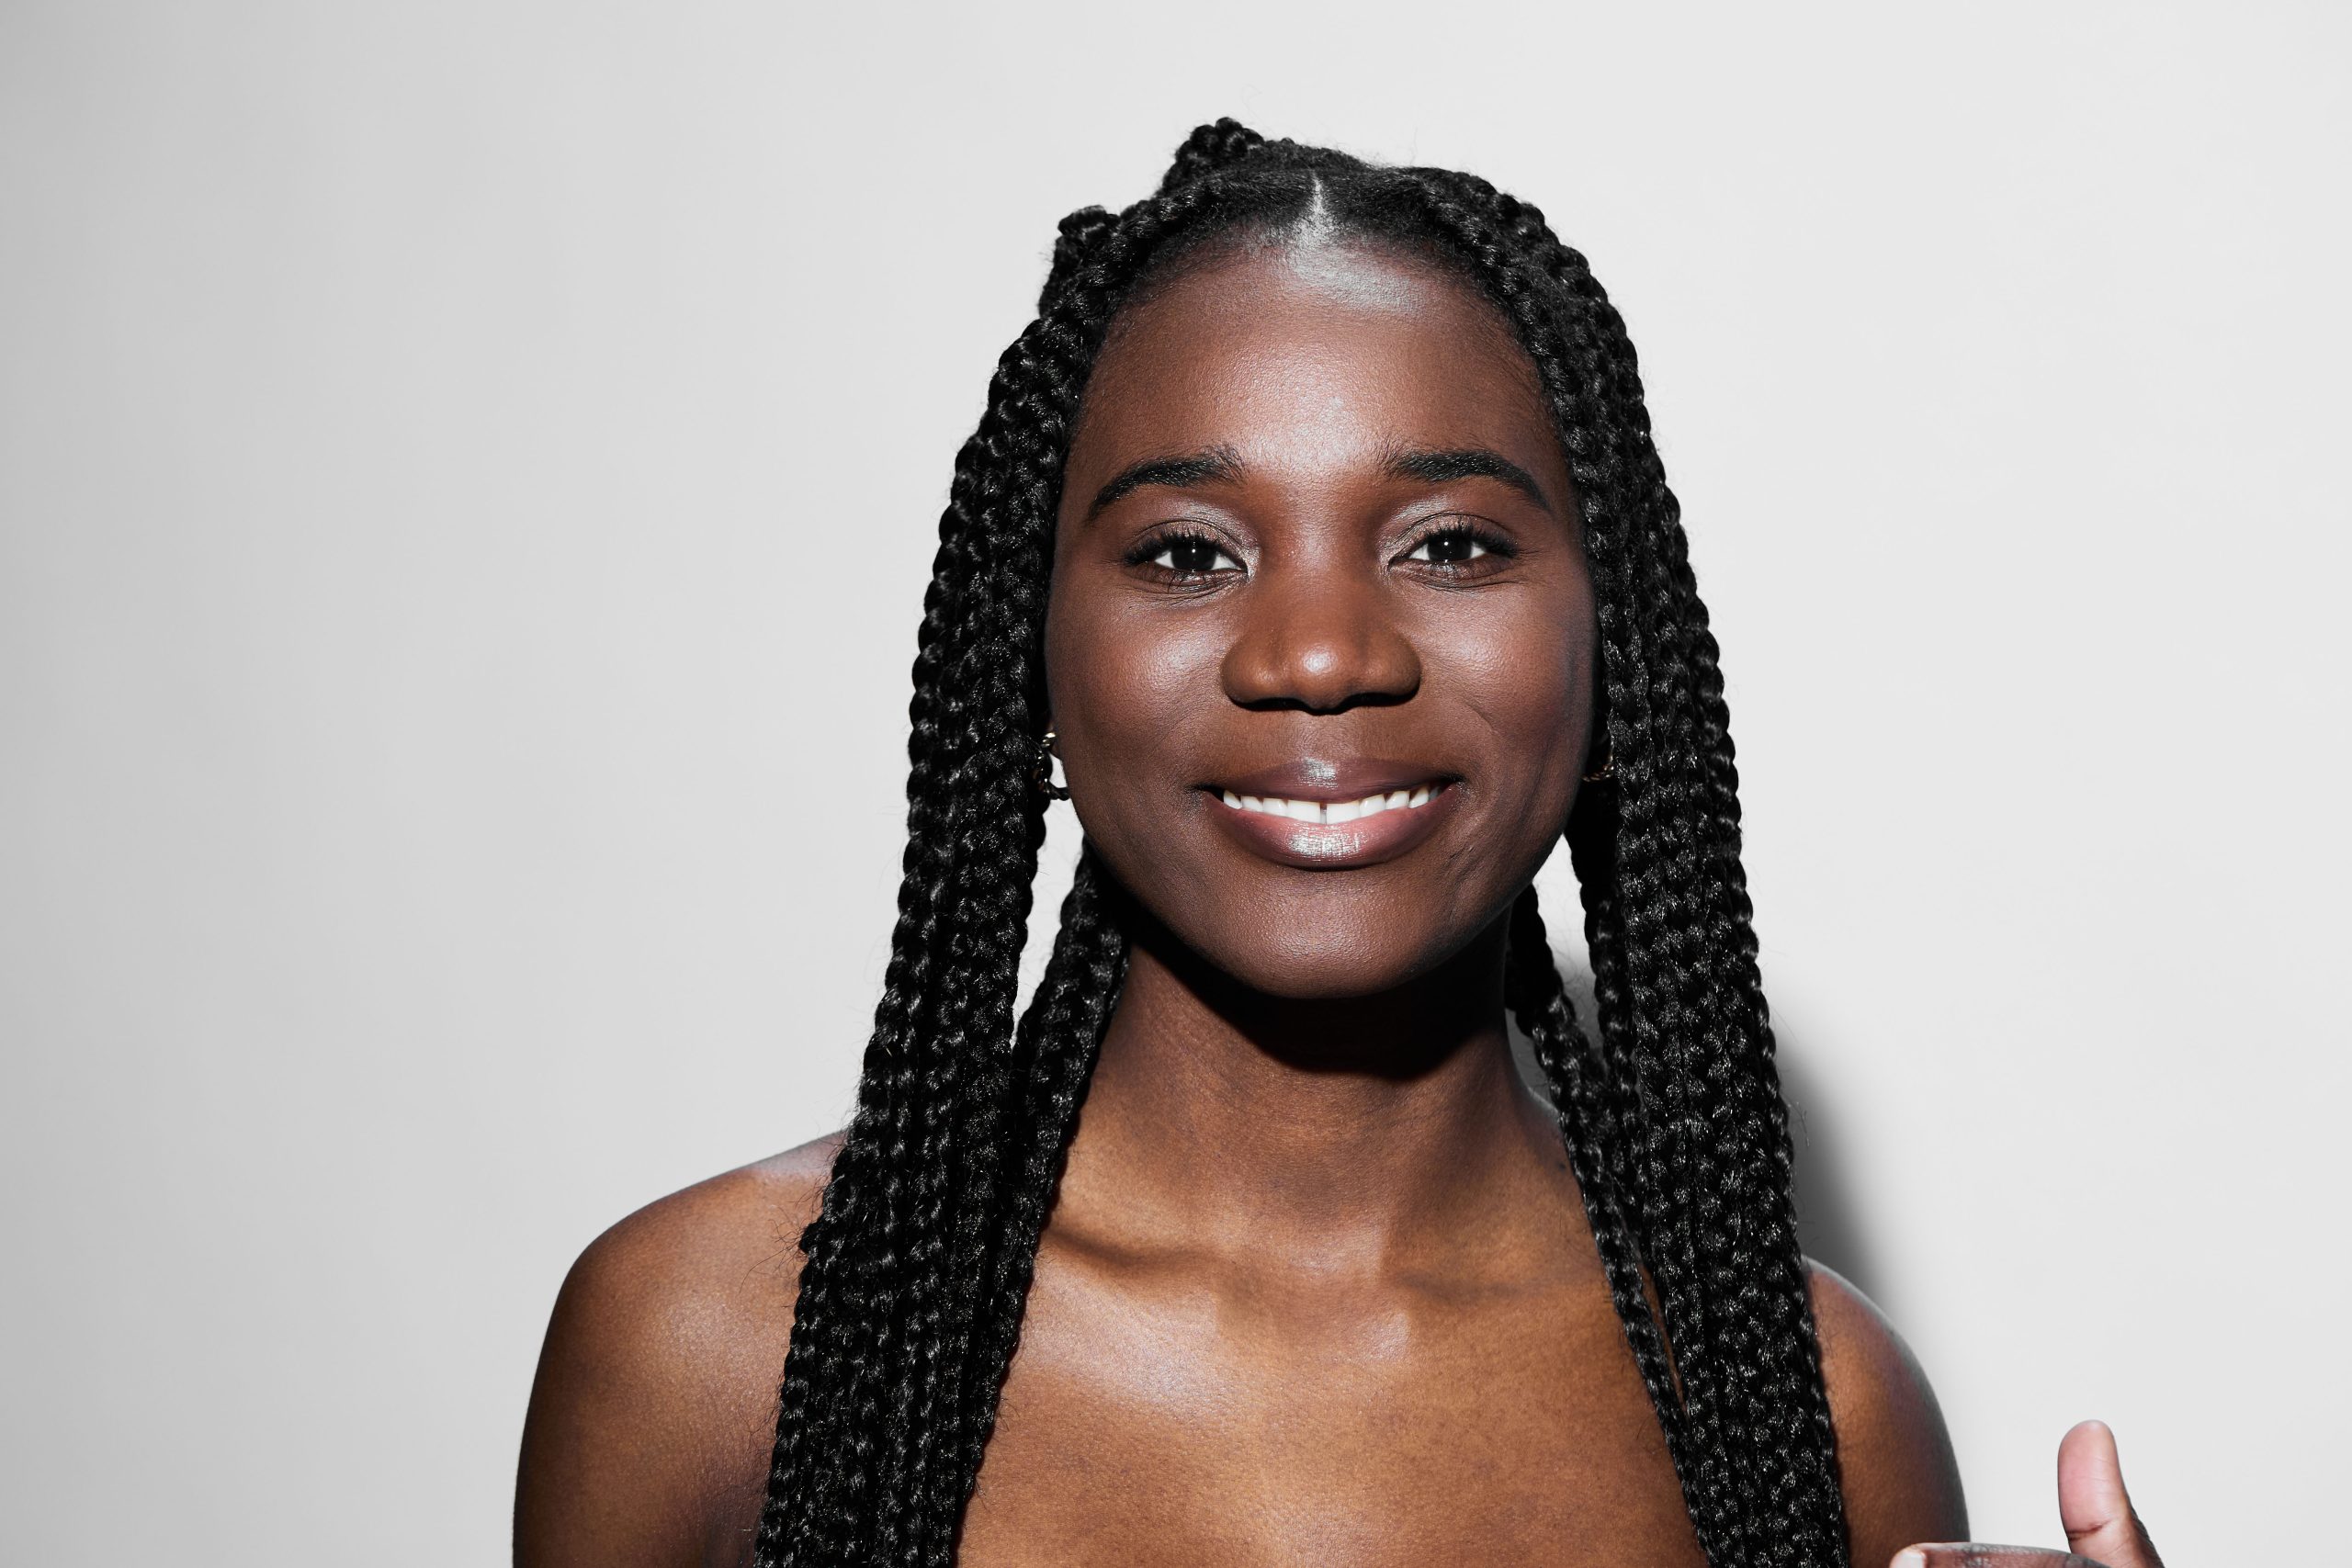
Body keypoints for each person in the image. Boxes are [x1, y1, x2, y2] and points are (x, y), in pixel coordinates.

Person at [513, 120, 2168, 1568]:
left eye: (1450, 543)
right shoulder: (724, 1346)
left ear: (1618, 650)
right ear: (1026, 649)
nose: (1318, 653)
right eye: (1183, 553)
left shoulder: (1803, 1407)